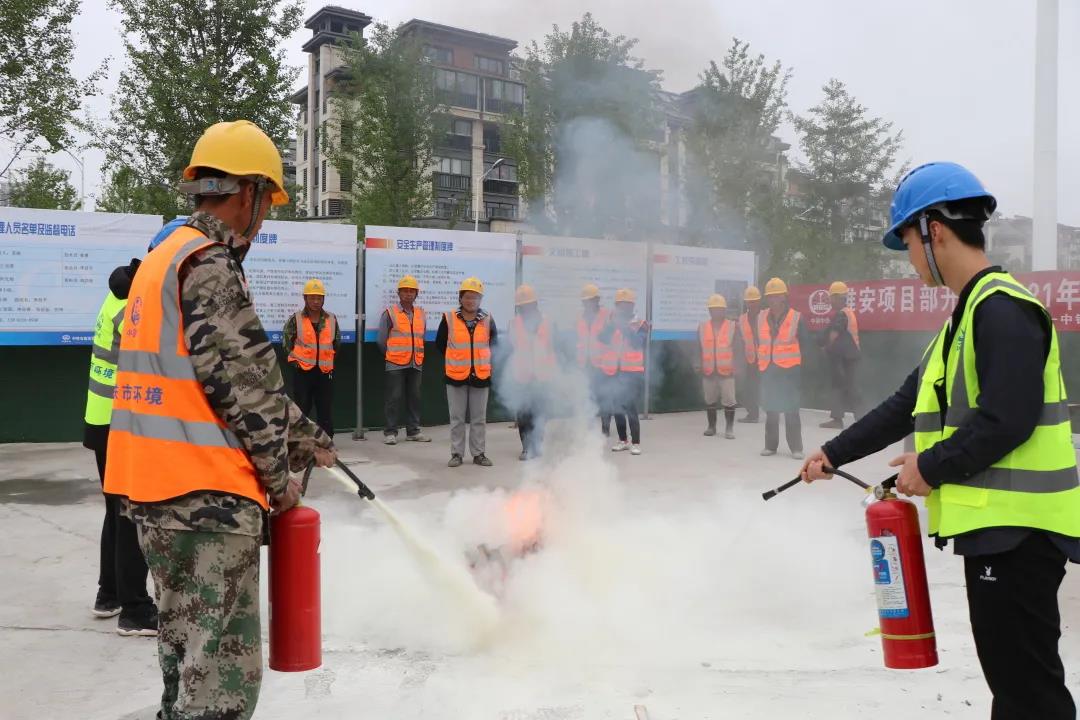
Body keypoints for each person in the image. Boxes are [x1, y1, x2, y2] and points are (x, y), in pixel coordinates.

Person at [802, 161, 1080, 719]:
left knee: (1029, 689)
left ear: (935, 231)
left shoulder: (1002, 309)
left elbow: (1007, 419)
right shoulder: (964, 319)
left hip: (1019, 534)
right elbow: (904, 404)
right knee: (1014, 684)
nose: (908, 257)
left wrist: (929, 467)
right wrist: (833, 453)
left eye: (907, 241)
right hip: (997, 532)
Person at [103, 120, 337, 720]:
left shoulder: (163, 259)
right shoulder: (209, 264)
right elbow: (246, 390)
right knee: (219, 691)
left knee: (186, 668)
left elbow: (210, 377)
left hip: (157, 497)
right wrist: (281, 484)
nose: (265, 217)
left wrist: (307, 438)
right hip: (206, 503)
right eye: (268, 201)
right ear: (247, 193)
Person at [83, 257, 158, 637]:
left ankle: (109, 594)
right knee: (131, 511)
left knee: (116, 509)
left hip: (101, 417)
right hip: (121, 420)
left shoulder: (114, 297)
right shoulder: (133, 308)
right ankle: (135, 609)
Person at [437, 276, 498, 467]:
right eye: (467, 297)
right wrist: (456, 359)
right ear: (460, 298)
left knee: (479, 419)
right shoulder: (449, 318)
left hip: (481, 375)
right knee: (457, 419)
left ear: (480, 299)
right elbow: (440, 344)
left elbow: (494, 344)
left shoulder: (487, 319)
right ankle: (456, 454)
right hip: (456, 375)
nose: (471, 301)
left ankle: (479, 454)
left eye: (475, 297)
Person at [376, 275, 430, 444]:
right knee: (394, 398)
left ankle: (413, 431)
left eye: (411, 291)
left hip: (416, 362)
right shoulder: (390, 313)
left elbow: (422, 337)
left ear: (416, 294)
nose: (408, 294)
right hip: (395, 364)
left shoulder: (421, 314)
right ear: (398, 293)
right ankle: (390, 432)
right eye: (405, 291)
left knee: (415, 397)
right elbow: (381, 340)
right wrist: (392, 356)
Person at [283, 278, 339, 437]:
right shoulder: (295, 319)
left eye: (319, 298)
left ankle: (326, 441)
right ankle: (299, 441)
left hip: (325, 372)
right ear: (305, 298)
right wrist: (297, 363)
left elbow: (336, 343)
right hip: (303, 372)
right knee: (302, 409)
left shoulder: (331, 319)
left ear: (323, 299)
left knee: (325, 409)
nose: (316, 301)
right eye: (312, 297)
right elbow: (286, 344)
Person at [758, 277, 806, 459]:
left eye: (776, 296)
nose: (773, 300)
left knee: (791, 410)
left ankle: (796, 448)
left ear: (784, 297)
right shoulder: (762, 317)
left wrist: (800, 368)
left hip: (789, 371)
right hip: (768, 369)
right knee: (771, 409)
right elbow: (758, 341)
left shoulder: (796, 317)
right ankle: (770, 446)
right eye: (770, 296)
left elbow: (805, 344)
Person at [599, 288, 649, 455]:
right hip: (614, 371)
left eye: (626, 305)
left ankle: (636, 442)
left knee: (630, 407)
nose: (623, 308)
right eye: (620, 305)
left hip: (632, 372)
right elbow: (602, 339)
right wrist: (612, 326)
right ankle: (623, 440)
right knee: (617, 407)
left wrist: (624, 327)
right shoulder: (612, 321)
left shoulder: (640, 324)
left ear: (632, 306)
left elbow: (637, 343)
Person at [508, 284, 555, 460]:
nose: (525, 309)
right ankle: (526, 447)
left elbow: (554, 347)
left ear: (535, 305)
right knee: (524, 414)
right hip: (522, 375)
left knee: (540, 413)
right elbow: (512, 348)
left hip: (543, 376)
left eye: (528, 305)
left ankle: (538, 445)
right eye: (522, 306)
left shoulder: (548, 322)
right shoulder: (514, 324)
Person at [819, 280, 864, 429]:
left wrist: (826, 348)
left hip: (846, 357)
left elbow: (834, 333)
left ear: (838, 298)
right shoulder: (847, 312)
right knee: (845, 387)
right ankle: (854, 419)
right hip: (848, 356)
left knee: (846, 387)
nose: (830, 301)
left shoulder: (842, 314)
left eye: (832, 298)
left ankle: (852, 419)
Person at [696, 294, 737, 439]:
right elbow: (698, 348)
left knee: (729, 400)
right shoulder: (702, 327)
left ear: (724, 310)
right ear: (709, 311)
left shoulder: (732, 326)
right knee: (710, 400)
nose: (716, 312)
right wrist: (697, 363)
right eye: (713, 309)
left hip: (727, 371)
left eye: (719, 309)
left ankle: (729, 428)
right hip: (708, 371)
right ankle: (711, 427)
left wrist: (737, 366)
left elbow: (738, 348)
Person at [576, 283, 612, 432]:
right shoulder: (579, 317)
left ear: (597, 300)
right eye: (585, 301)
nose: (588, 303)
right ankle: (588, 427)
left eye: (591, 300)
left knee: (604, 396)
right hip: (585, 363)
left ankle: (605, 427)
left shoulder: (607, 315)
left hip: (602, 363)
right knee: (587, 395)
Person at [737, 286, 762, 423]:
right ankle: (753, 414)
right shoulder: (741, 320)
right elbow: (739, 340)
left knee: (768, 387)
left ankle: (773, 412)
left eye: (754, 301)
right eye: (749, 302)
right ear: (746, 303)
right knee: (749, 388)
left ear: (759, 301)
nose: (752, 304)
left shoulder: (766, 316)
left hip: (766, 359)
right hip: (751, 360)